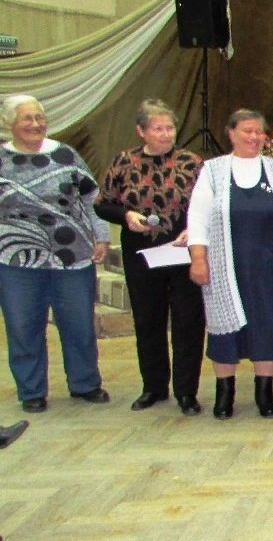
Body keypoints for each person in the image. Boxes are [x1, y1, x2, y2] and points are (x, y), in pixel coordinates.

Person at [0, 95, 112, 413]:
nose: (36, 124)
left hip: (72, 257)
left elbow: (92, 198)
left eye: (39, 117)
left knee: (79, 324)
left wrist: (102, 236)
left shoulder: (65, 155)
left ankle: (85, 383)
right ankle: (31, 390)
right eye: (27, 118)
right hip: (16, 259)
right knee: (23, 326)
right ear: (9, 124)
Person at [187, 109, 273, 420]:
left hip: (270, 268)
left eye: (259, 132)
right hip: (226, 267)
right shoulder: (213, 170)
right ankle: (225, 393)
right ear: (231, 133)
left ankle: (265, 392)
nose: (254, 137)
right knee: (225, 330)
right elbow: (197, 217)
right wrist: (198, 258)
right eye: (247, 131)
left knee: (267, 327)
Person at [96, 99, 206, 415]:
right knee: (148, 321)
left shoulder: (192, 162)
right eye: (158, 128)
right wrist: (126, 215)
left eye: (170, 128)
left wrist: (194, 229)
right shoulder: (124, 162)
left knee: (188, 323)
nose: (166, 134)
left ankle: (187, 392)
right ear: (141, 131)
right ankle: (154, 387)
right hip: (141, 254)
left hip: (183, 252)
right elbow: (102, 204)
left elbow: (209, 205)